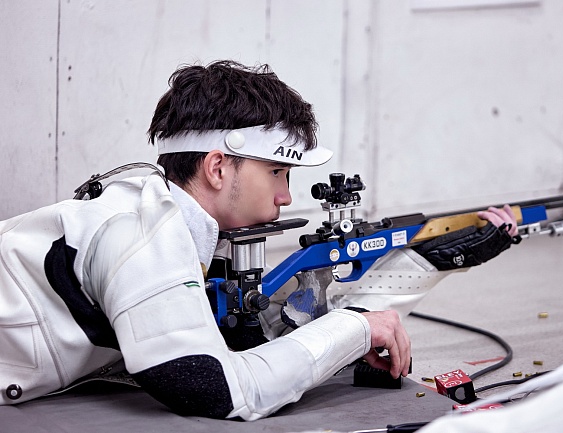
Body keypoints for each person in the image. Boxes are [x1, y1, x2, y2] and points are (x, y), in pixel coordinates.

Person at [0, 60, 517, 420]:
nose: (287, 196)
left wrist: (422, 265)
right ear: (218, 167)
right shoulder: (144, 237)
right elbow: (217, 389)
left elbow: (247, 339)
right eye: (276, 172)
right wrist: (356, 329)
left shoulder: (161, 216)